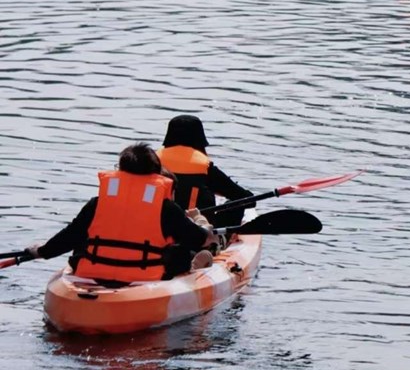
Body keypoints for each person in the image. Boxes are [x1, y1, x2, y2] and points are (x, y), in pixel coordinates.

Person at [24, 143, 218, 283]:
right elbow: (199, 239)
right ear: (156, 173)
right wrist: (205, 229)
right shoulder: (166, 208)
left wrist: (41, 251)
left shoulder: (97, 203)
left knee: (83, 240)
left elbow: (70, 236)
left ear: (121, 170)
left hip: (93, 273)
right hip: (147, 276)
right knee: (181, 250)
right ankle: (195, 267)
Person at [158, 114, 254, 228]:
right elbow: (248, 200)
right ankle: (222, 236)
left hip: (157, 226)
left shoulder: (152, 163)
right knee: (237, 203)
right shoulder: (206, 168)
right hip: (197, 230)